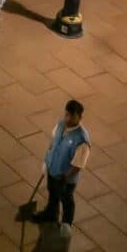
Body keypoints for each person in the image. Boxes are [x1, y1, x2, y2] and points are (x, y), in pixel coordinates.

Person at [33, 100, 92, 239]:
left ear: (79, 117)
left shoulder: (82, 139)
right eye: (66, 114)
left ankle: (66, 226)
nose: (68, 118)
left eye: (72, 116)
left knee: (66, 200)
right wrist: (47, 160)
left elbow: (78, 165)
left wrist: (65, 178)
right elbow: (53, 141)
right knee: (52, 194)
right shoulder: (60, 125)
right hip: (53, 170)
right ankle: (50, 214)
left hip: (65, 178)